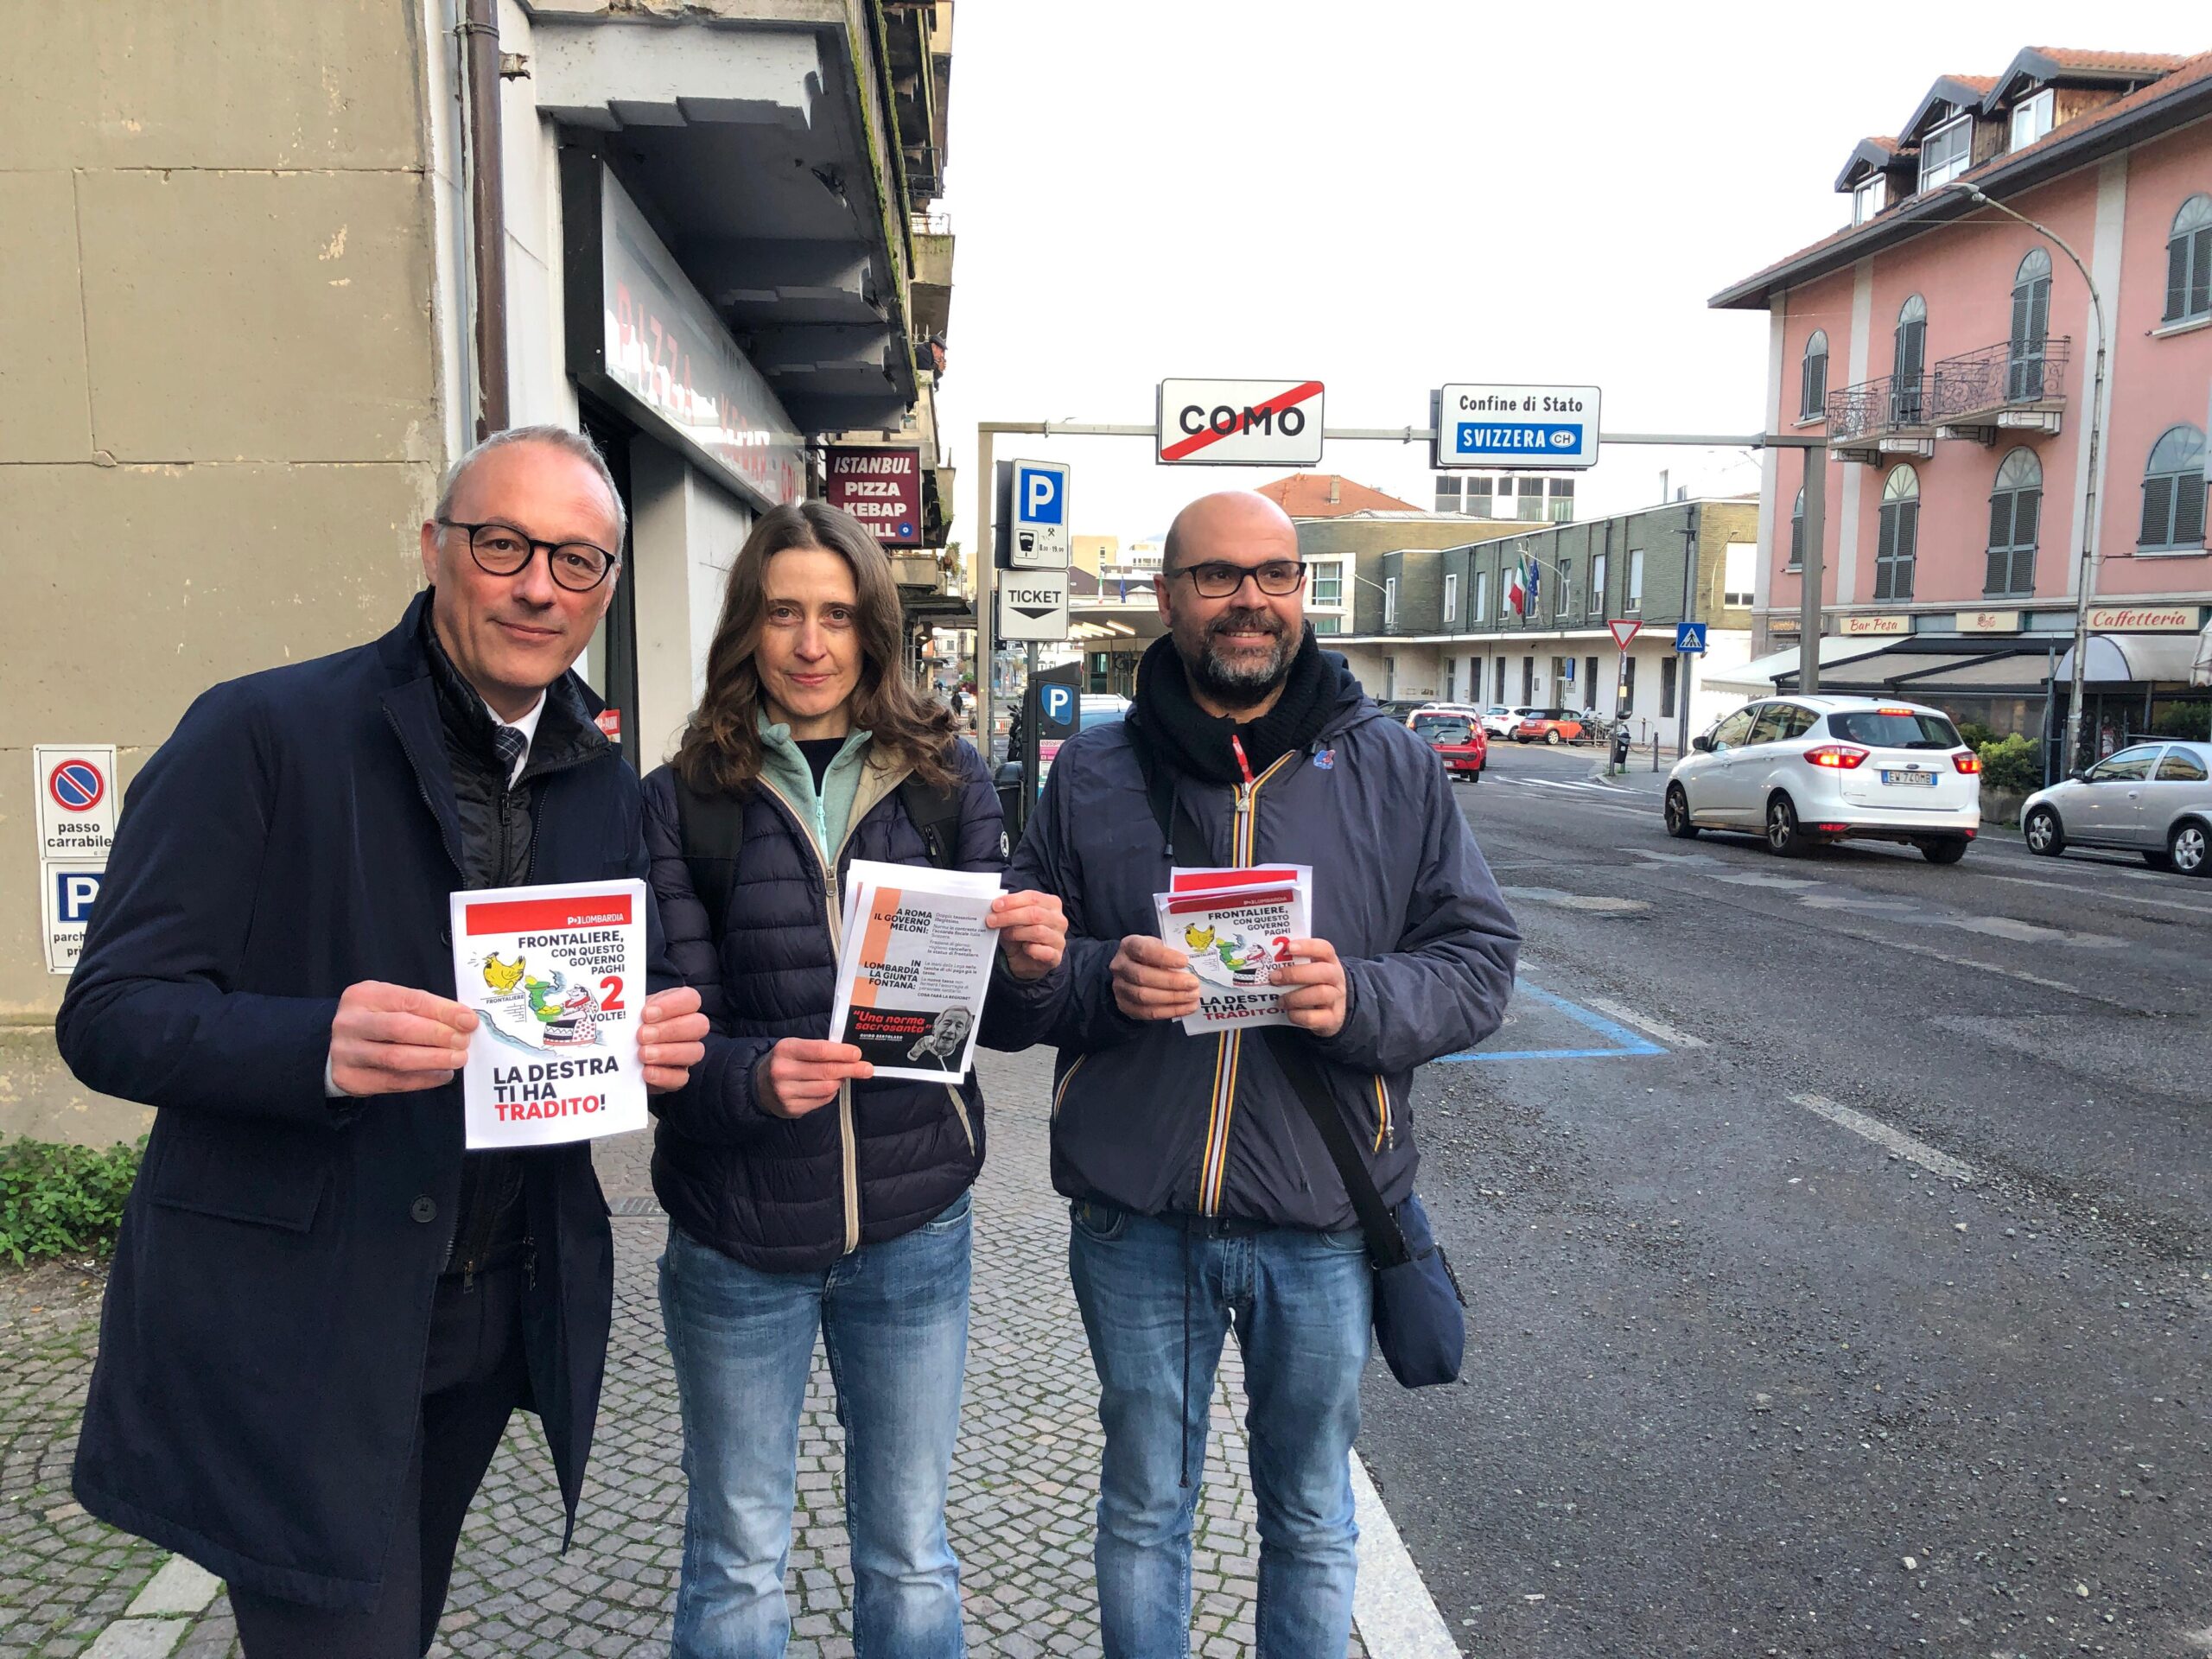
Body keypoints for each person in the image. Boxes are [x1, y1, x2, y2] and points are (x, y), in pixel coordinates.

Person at [55, 425, 711, 1659]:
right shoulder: (261, 733)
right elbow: (110, 1014)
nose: (537, 586)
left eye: (577, 563)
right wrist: (317, 1045)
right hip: (300, 1321)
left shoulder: (600, 782)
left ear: (606, 591)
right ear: (434, 549)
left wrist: (656, 1027)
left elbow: (630, 981)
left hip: (482, 1314)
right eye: (505, 544)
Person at [1005, 490, 1520, 1657]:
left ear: (1301, 594)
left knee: (1309, 1511)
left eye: (1277, 575)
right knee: (1144, 1510)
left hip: (1324, 1221)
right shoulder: (1089, 773)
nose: (1251, 599)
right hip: (1137, 1221)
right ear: (1167, 596)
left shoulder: (1391, 768)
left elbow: (1482, 963)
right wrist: (1097, 978)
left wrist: (1364, 998)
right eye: (1219, 576)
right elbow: (1015, 988)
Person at [644, 500, 1067, 1659]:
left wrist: (1032, 962)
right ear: (747, 628)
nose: (811, 643)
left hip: (912, 1222)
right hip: (736, 1231)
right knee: (736, 1564)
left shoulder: (944, 777)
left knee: (912, 1556)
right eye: (784, 612)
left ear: (875, 631)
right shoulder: (682, 795)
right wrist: (747, 1078)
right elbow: (666, 1038)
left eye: (837, 614)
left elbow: (1008, 1021)